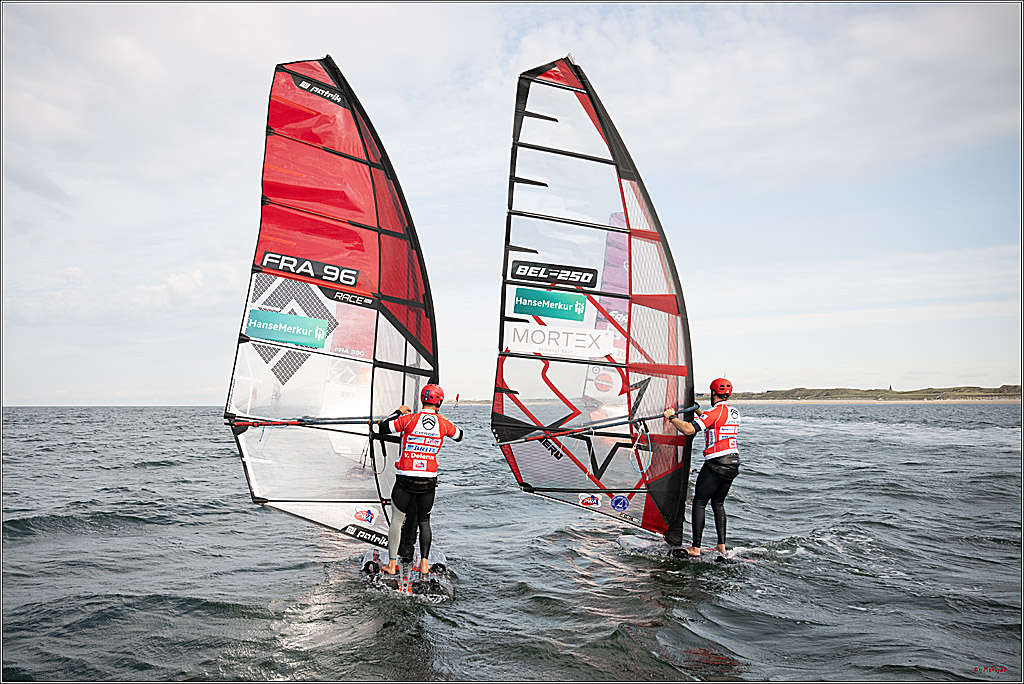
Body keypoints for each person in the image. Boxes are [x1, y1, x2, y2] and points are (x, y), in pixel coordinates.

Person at [378, 383, 463, 575]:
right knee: (424, 521)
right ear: (439, 401)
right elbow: (460, 436)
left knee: (397, 521)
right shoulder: (443, 423)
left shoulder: (408, 419)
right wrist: (442, 419)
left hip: (405, 480)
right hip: (427, 481)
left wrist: (398, 412)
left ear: (421, 400)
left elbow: (383, 427)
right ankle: (424, 565)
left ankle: (392, 565)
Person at [663, 378, 741, 557]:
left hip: (716, 463)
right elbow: (713, 422)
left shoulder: (715, 411)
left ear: (713, 393)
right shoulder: (734, 412)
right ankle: (721, 547)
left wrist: (671, 417)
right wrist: (697, 410)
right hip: (733, 463)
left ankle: (695, 548)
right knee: (718, 503)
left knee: (699, 502)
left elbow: (690, 430)